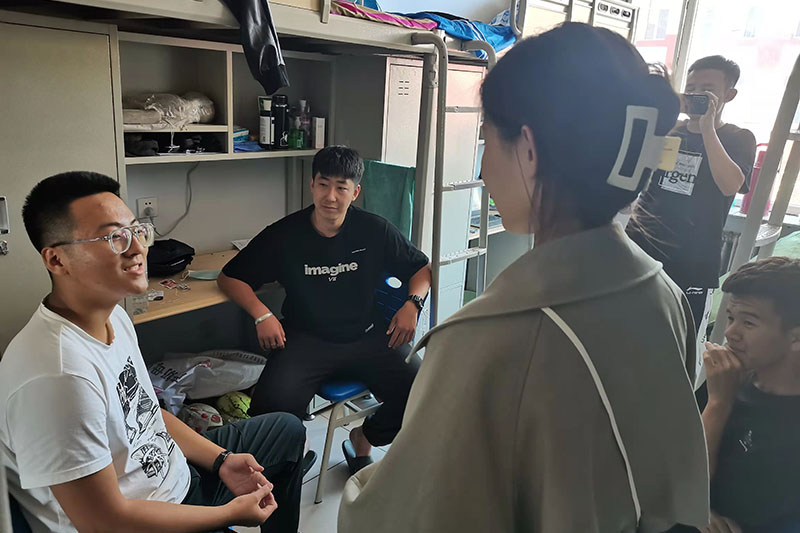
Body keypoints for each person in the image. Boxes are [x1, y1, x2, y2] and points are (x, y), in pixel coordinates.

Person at [338, 23, 709, 533]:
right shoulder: (663, 294)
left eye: (486, 139)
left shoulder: (488, 338)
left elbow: (404, 516)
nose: (483, 170)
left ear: (529, 150)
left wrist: (362, 488)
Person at [0, 171, 305, 533]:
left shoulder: (113, 316)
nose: (137, 248)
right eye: (113, 237)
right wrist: (228, 514)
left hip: (175, 475)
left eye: (136, 230)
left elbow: (147, 412)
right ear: (56, 260)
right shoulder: (57, 376)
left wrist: (222, 460)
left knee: (287, 430)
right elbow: (104, 522)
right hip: (141, 520)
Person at [217, 145, 430, 472]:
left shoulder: (374, 229)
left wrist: (412, 304)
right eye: (323, 184)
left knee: (425, 391)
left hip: (368, 335)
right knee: (269, 410)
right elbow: (230, 278)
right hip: (306, 339)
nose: (331, 196)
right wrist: (263, 314)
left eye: (341, 187)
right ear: (312, 185)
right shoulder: (285, 234)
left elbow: (421, 269)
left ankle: (363, 439)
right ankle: (293, 456)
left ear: (355, 192)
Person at [627, 55, 757, 388]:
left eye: (707, 89)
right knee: (627, 333)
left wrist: (708, 129)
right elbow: (638, 177)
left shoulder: (738, 137)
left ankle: (670, 404)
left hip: (692, 260)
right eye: (692, 87)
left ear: (728, 95)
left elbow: (730, 184)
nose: (697, 94)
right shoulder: (669, 129)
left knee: (678, 346)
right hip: (640, 247)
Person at [699, 257, 800, 532]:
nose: (730, 333)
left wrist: (719, 404)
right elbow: (674, 477)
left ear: (795, 337)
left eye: (749, 323)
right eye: (731, 318)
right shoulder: (728, 379)